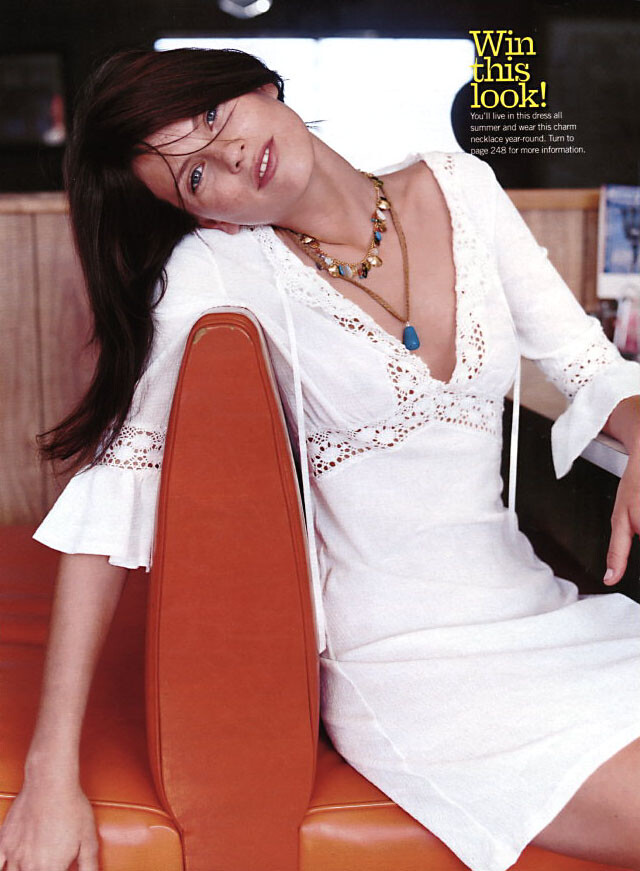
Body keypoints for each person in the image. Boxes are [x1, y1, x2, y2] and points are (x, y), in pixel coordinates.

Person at [1, 46, 639, 871]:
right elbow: (113, 489)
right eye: (194, 176)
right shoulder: (217, 270)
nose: (228, 156)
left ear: (260, 84)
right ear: (209, 216)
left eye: (211, 116)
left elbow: (586, 363)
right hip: (408, 667)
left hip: (543, 612)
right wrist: (51, 770)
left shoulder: (462, 187)